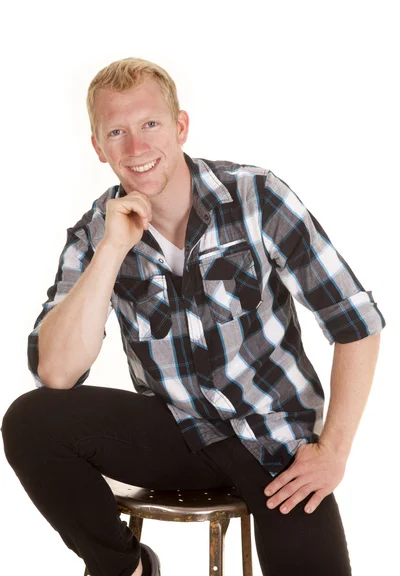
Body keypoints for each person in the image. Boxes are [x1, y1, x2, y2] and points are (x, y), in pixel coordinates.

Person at [1, 57, 385, 576]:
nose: (136, 148)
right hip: (176, 432)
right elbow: (57, 373)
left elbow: (355, 322)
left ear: (180, 126)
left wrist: (333, 451)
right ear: (97, 146)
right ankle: (126, 568)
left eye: (150, 125)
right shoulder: (95, 232)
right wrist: (112, 251)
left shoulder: (257, 196)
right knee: (32, 421)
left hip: (275, 443)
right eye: (116, 131)